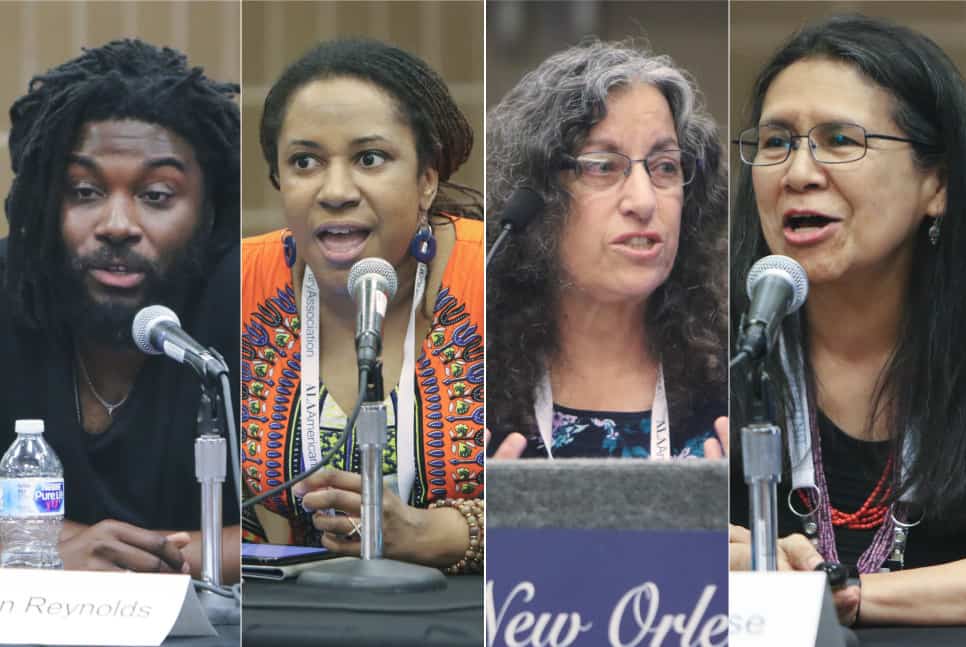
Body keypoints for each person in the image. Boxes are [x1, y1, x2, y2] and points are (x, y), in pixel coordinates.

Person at [729, 15, 966, 626]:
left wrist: (851, 597)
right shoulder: (714, 341)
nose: (800, 173)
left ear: (936, 183)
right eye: (777, 141)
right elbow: (610, 542)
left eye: (841, 140)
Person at [0, 39, 241, 581]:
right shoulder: (8, 286)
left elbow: (298, 530)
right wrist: (44, 550)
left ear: (208, 212)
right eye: (83, 191)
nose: (115, 224)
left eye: (156, 195)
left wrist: (128, 563)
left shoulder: (248, 304)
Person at [241, 39, 484, 573]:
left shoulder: (500, 280)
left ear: (427, 179)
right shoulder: (240, 284)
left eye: (369, 159)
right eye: (305, 162)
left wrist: (435, 535)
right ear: (280, 181)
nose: (334, 190)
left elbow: (573, 505)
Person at [486, 39, 728, 459]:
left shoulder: (735, 381)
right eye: (602, 166)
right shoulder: (472, 382)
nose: (644, 200)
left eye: (665, 167)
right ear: (536, 195)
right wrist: (480, 521)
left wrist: (745, 514)